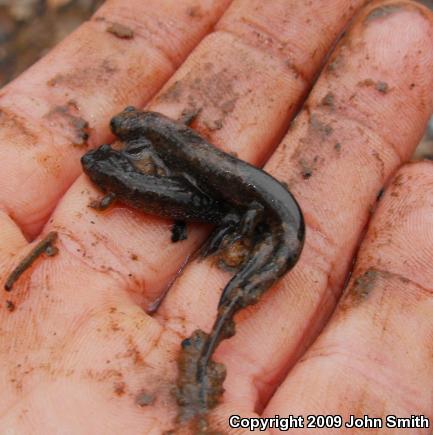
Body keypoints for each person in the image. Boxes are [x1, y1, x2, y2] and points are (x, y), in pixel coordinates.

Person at [0, 0, 432, 433]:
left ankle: (245, 268)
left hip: (264, 204)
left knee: (251, 221)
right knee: (233, 208)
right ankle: (241, 266)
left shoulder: (153, 151)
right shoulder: (159, 140)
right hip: (253, 196)